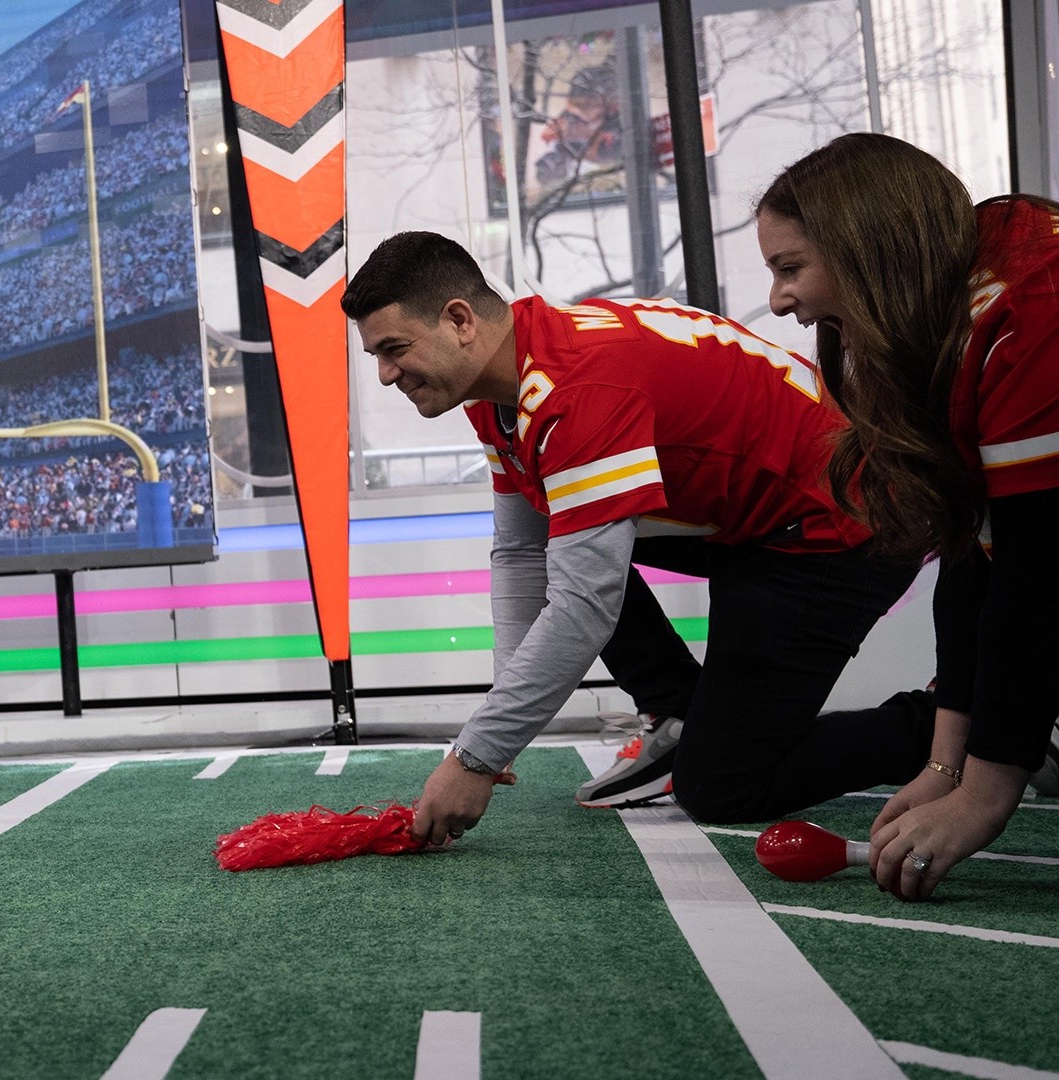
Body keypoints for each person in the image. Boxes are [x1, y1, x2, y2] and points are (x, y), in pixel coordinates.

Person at [339, 231, 933, 847]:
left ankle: (952, 726)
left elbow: (583, 605)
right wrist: (501, 725)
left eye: (394, 348)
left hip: (846, 527)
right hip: (769, 514)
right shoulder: (507, 375)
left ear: (459, 320)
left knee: (723, 784)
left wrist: (476, 758)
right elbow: (521, 550)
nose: (384, 376)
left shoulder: (579, 392)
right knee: (569, 544)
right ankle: (678, 710)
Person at [755, 132, 1059, 901]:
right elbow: (974, 551)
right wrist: (946, 765)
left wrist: (987, 794)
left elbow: (1039, 577)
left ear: (871, 253)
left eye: (791, 268)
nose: (778, 299)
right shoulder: (963, 300)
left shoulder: (1032, 312)